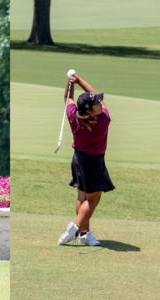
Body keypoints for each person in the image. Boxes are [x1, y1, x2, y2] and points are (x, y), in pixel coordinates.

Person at [58, 74, 115, 246]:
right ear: (89, 110)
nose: (100, 103)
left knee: (82, 197)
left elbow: (68, 98)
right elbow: (98, 99)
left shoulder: (74, 115)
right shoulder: (103, 120)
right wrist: (79, 80)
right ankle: (75, 229)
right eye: (96, 103)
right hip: (93, 162)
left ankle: (84, 234)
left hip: (78, 160)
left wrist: (69, 83)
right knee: (93, 199)